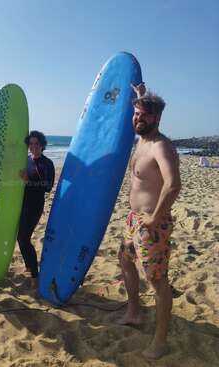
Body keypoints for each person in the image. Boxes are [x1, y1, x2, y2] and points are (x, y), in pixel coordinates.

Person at [117, 84, 181, 359]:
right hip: (134, 221)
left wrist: (155, 217)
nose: (138, 118)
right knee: (124, 259)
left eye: (143, 115)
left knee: (157, 281)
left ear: (156, 118)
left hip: (152, 225)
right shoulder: (141, 141)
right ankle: (134, 313)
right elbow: (146, 105)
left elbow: (173, 184)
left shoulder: (160, 146)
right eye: (135, 113)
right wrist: (143, 91)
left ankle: (160, 341)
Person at [18, 131, 55, 286]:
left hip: (34, 206)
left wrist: (28, 181)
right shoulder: (26, 160)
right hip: (21, 204)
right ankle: (28, 265)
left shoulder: (46, 163)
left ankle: (34, 274)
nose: (33, 146)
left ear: (42, 145)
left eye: (37, 143)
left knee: (24, 239)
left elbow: (47, 187)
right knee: (20, 238)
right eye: (31, 143)